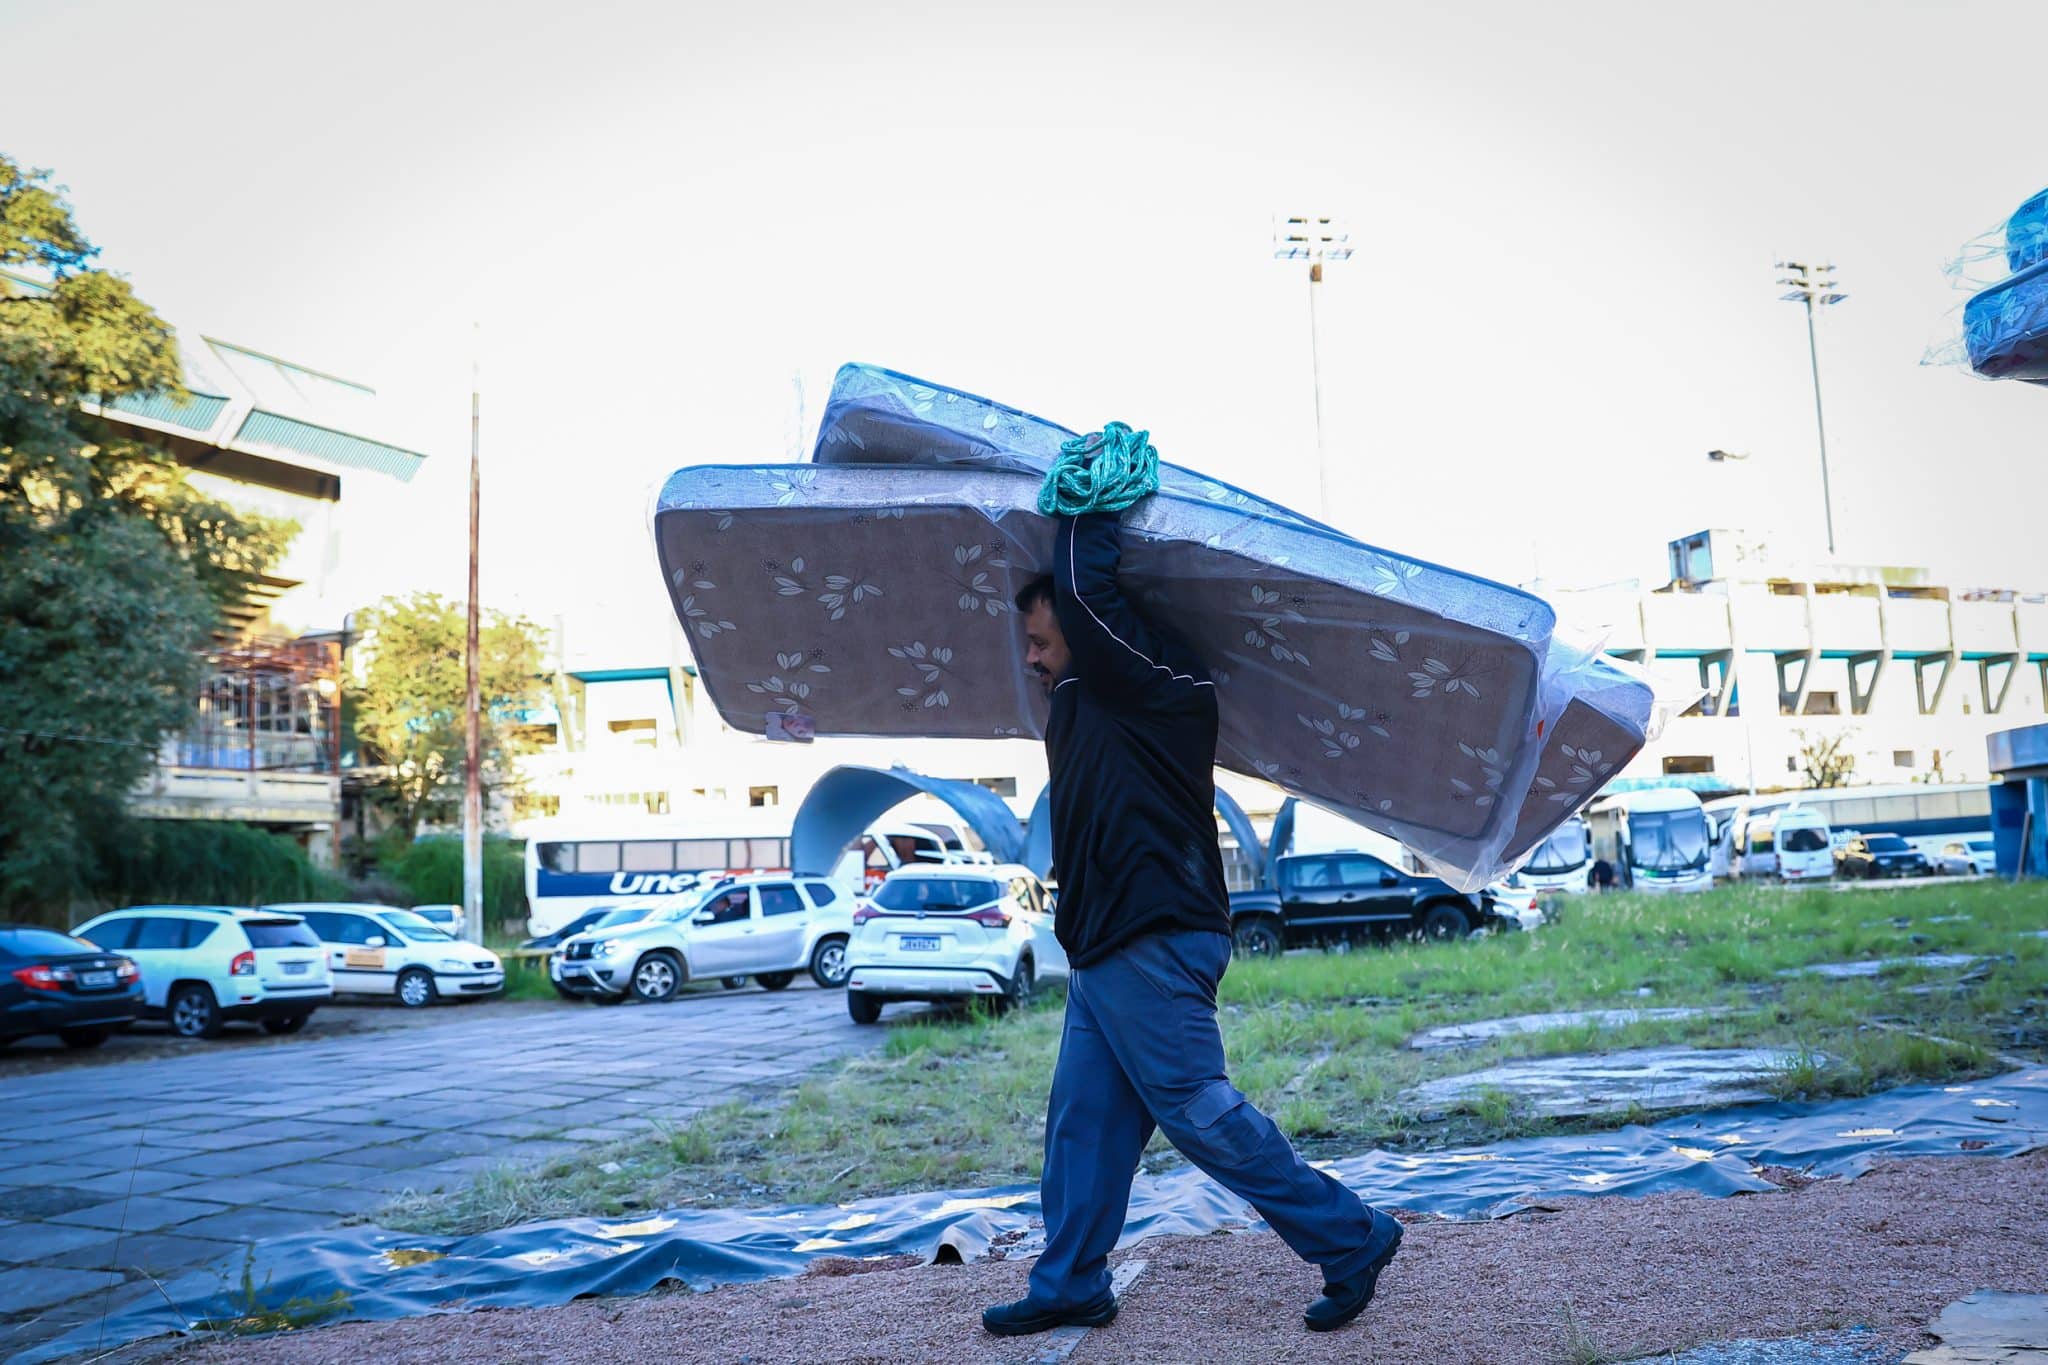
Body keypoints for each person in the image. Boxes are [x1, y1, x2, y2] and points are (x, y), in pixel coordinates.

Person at [981, 508, 1403, 1338]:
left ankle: (1352, 1236)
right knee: (1084, 1123)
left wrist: (1082, 510)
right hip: (1104, 948)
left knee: (1197, 1111)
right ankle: (1069, 1281)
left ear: (1090, 627)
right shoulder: (1081, 696)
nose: (1029, 656)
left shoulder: (1158, 679)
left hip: (1156, 934)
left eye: (1040, 638)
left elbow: (1086, 591)